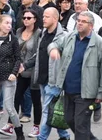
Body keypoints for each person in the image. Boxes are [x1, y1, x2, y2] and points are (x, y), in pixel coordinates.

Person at [49, 11, 102, 140]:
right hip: (68, 89)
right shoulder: (70, 36)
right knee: (70, 120)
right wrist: (53, 49)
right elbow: (54, 44)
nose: (79, 23)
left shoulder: (99, 43)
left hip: (86, 93)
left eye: (83, 21)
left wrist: (100, 93)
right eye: (78, 20)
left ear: (91, 26)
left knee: (81, 125)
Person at [22, 7, 70, 140]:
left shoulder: (64, 36)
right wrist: (26, 65)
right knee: (52, 111)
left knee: (46, 111)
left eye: (47, 16)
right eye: (43, 16)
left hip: (54, 81)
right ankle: (64, 136)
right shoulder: (43, 33)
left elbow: (67, 59)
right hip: (42, 79)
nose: (43, 19)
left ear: (55, 18)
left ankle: (41, 137)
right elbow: (39, 54)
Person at [11, 9, 42, 137]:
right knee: (16, 97)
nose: (26, 20)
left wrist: (26, 65)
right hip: (20, 71)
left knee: (35, 100)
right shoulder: (19, 31)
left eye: (29, 18)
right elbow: (14, 49)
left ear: (35, 19)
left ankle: (36, 127)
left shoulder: (39, 33)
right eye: (24, 17)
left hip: (33, 71)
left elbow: (38, 54)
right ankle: (11, 124)